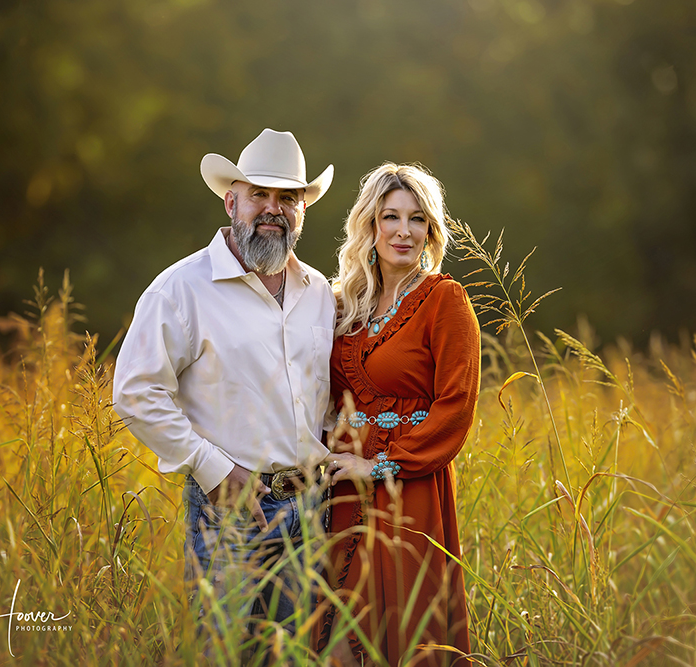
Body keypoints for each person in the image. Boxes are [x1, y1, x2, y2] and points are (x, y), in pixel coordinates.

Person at [112, 128, 337, 649]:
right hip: (229, 511)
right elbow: (135, 391)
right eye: (260, 194)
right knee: (223, 652)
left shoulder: (320, 292)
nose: (273, 208)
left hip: (311, 510)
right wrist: (213, 470)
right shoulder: (181, 288)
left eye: (287, 198)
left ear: (303, 210)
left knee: (294, 657)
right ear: (232, 200)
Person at [319, 163, 480, 666]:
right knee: (336, 638)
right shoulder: (342, 304)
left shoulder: (444, 301)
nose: (403, 231)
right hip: (342, 489)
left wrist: (381, 465)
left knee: (407, 635)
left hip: (410, 487)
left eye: (417, 220)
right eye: (391, 216)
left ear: (431, 230)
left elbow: (456, 406)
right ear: (370, 225)